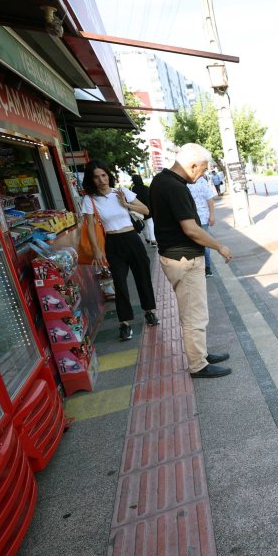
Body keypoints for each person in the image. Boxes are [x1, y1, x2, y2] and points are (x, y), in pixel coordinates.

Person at [149, 143, 232, 379]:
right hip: (183, 258)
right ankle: (198, 364)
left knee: (195, 312)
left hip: (176, 256)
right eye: (203, 169)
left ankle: (201, 353)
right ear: (192, 165)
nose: (203, 174)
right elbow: (191, 229)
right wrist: (219, 246)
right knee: (194, 315)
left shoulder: (161, 180)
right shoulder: (175, 187)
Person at [82, 160, 159, 341]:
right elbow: (91, 227)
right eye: (96, 177)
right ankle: (124, 323)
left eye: (104, 175)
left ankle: (149, 311)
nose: (101, 180)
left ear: (108, 175)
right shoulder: (89, 200)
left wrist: (126, 205)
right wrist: (96, 250)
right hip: (113, 242)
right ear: (91, 180)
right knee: (120, 284)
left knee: (143, 277)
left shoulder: (121, 192)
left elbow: (146, 209)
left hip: (132, 238)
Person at [188, 173, 217, 276]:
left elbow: (210, 199)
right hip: (198, 217)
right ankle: (206, 268)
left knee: (198, 242)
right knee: (204, 242)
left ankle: (205, 267)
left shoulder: (186, 182)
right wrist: (212, 215)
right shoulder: (202, 181)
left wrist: (212, 215)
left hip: (194, 218)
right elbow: (210, 199)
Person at [131, 174, 156, 246]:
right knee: (151, 225)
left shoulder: (133, 189)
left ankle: (147, 238)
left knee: (144, 225)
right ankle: (153, 240)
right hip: (148, 209)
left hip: (138, 210)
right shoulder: (146, 188)